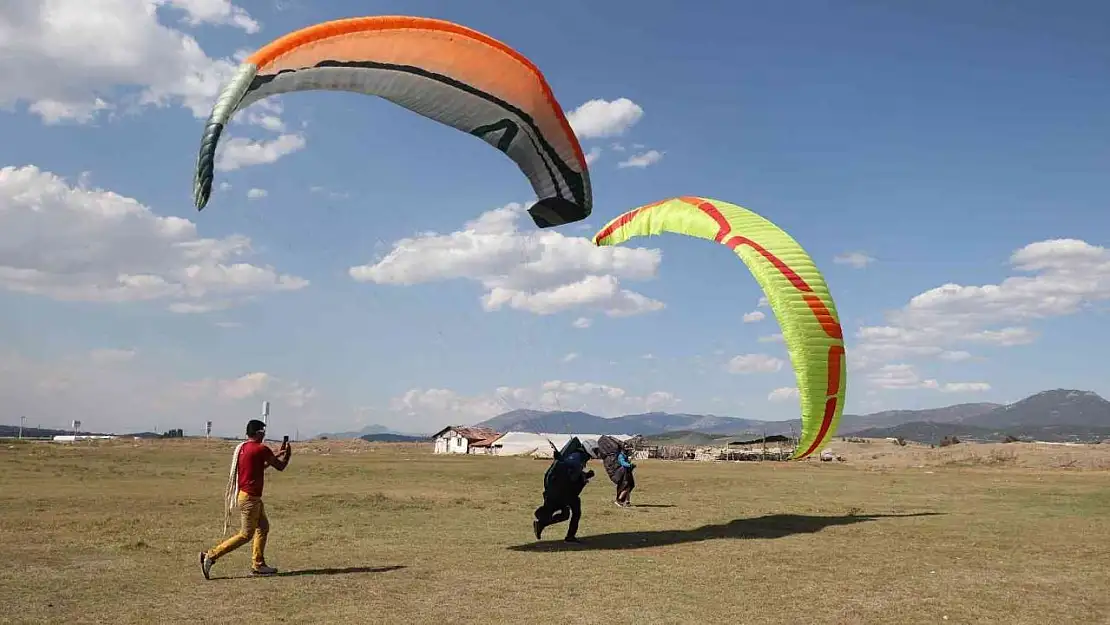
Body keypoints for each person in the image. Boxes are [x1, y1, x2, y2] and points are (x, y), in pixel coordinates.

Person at [199, 419, 291, 579]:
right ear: (259, 433)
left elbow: (257, 467)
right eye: (263, 432)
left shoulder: (243, 448)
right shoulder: (261, 449)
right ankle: (211, 555)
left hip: (246, 495)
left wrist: (274, 455)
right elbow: (280, 467)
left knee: (263, 527)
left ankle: (259, 564)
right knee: (246, 534)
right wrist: (287, 455)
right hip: (251, 498)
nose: (265, 435)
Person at [533, 442, 594, 542]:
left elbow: (573, 473)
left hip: (565, 491)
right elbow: (570, 472)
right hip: (565, 492)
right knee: (573, 513)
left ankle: (541, 524)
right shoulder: (576, 457)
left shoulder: (578, 457)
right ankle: (569, 536)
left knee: (565, 515)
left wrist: (586, 475)